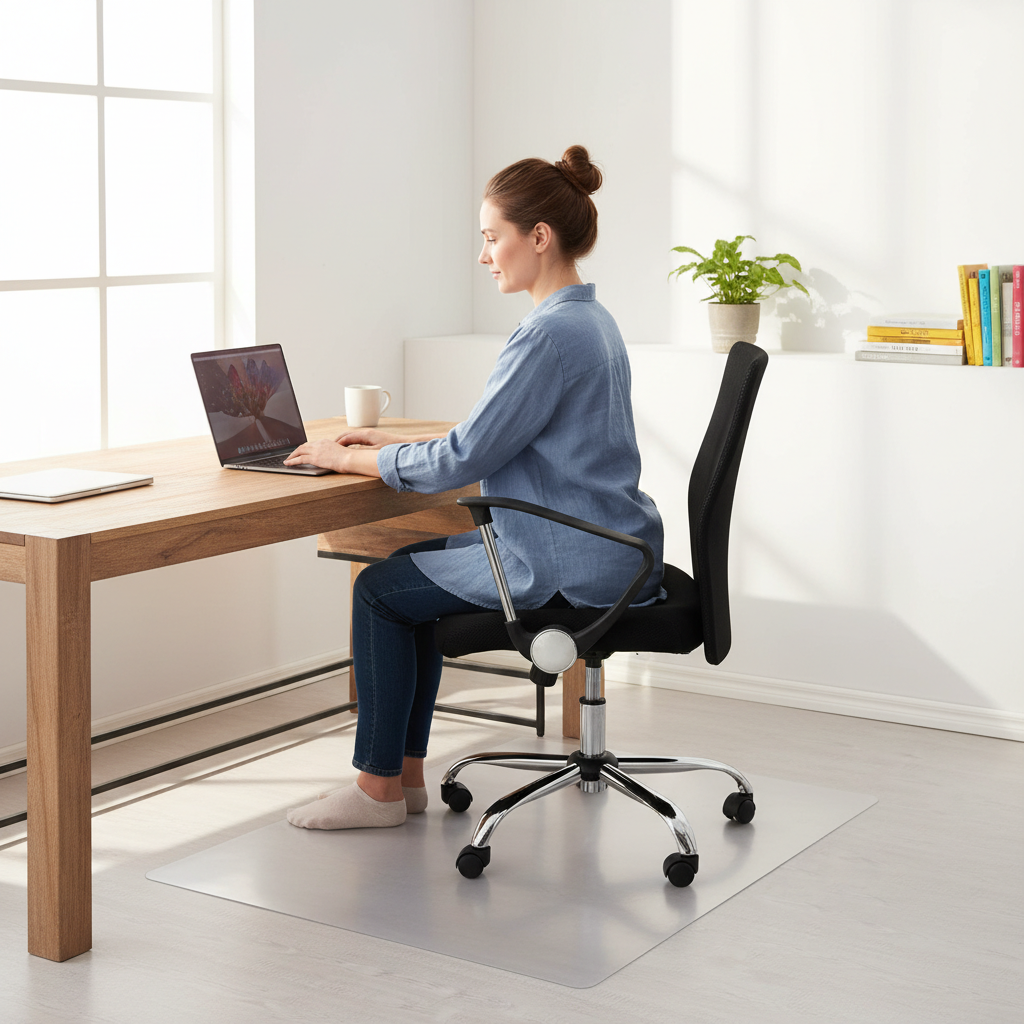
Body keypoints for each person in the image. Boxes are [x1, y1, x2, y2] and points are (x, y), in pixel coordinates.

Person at [282, 145, 664, 830]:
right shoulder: (590, 322)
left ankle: (377, 793)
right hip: (609, 545)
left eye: (493, 237)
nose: (484, 255)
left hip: (564, 562)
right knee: (403, 577)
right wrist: (391, 447)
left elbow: (463, 458)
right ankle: (403, 780)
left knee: (378, 593)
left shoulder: (548, 336)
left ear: (538, 238)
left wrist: (345, 460)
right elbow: (494, 437)